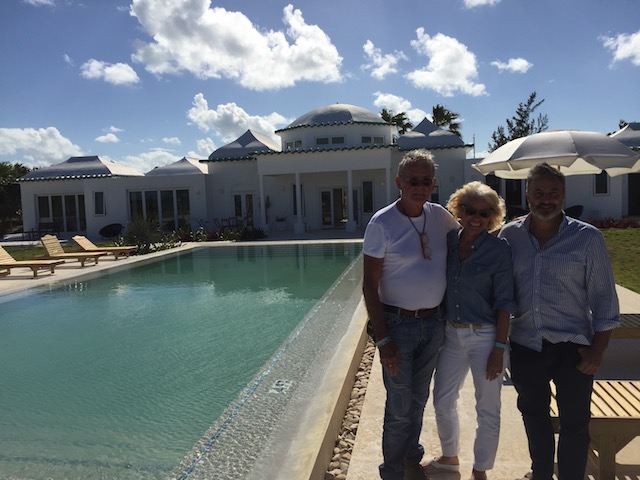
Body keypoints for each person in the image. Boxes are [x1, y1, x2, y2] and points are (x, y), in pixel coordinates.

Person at [498, 162, 620, 480]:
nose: (546, 199)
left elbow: (605, 300)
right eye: (539, 192)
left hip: (574, 348)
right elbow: (497, 288)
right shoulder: (509, 235)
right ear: (527, 195)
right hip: (526, 344)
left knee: (575, 423)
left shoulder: (587, 238)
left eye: (553, 192)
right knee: (534, 417)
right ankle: (540, 474)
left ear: (564, 194)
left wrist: (598, 351)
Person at [362, 148, 459, 480]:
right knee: (400, 406)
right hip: (398, 326)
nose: (420, 186)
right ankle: (391, 471)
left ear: (433, 183)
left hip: (433, 324)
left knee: (419, 398)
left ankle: (410, 457)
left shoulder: (442, 217)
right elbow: (369, 287)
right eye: (413, 181)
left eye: (426, 181)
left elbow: (469, 243)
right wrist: (383, 337)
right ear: (399, 182)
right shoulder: (382, 223)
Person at [423, 181, 515, 480]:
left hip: (485, 337)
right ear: (458, 210)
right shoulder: (449, 241)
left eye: (484, 212)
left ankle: (480, 470)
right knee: (442, 399)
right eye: (469, 210)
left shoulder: (499, 250)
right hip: (451, 333)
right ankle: (449, 457)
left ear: (493, 216)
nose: (476, 217)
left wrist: (499, 349)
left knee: (487, 406)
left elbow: (504, 303)